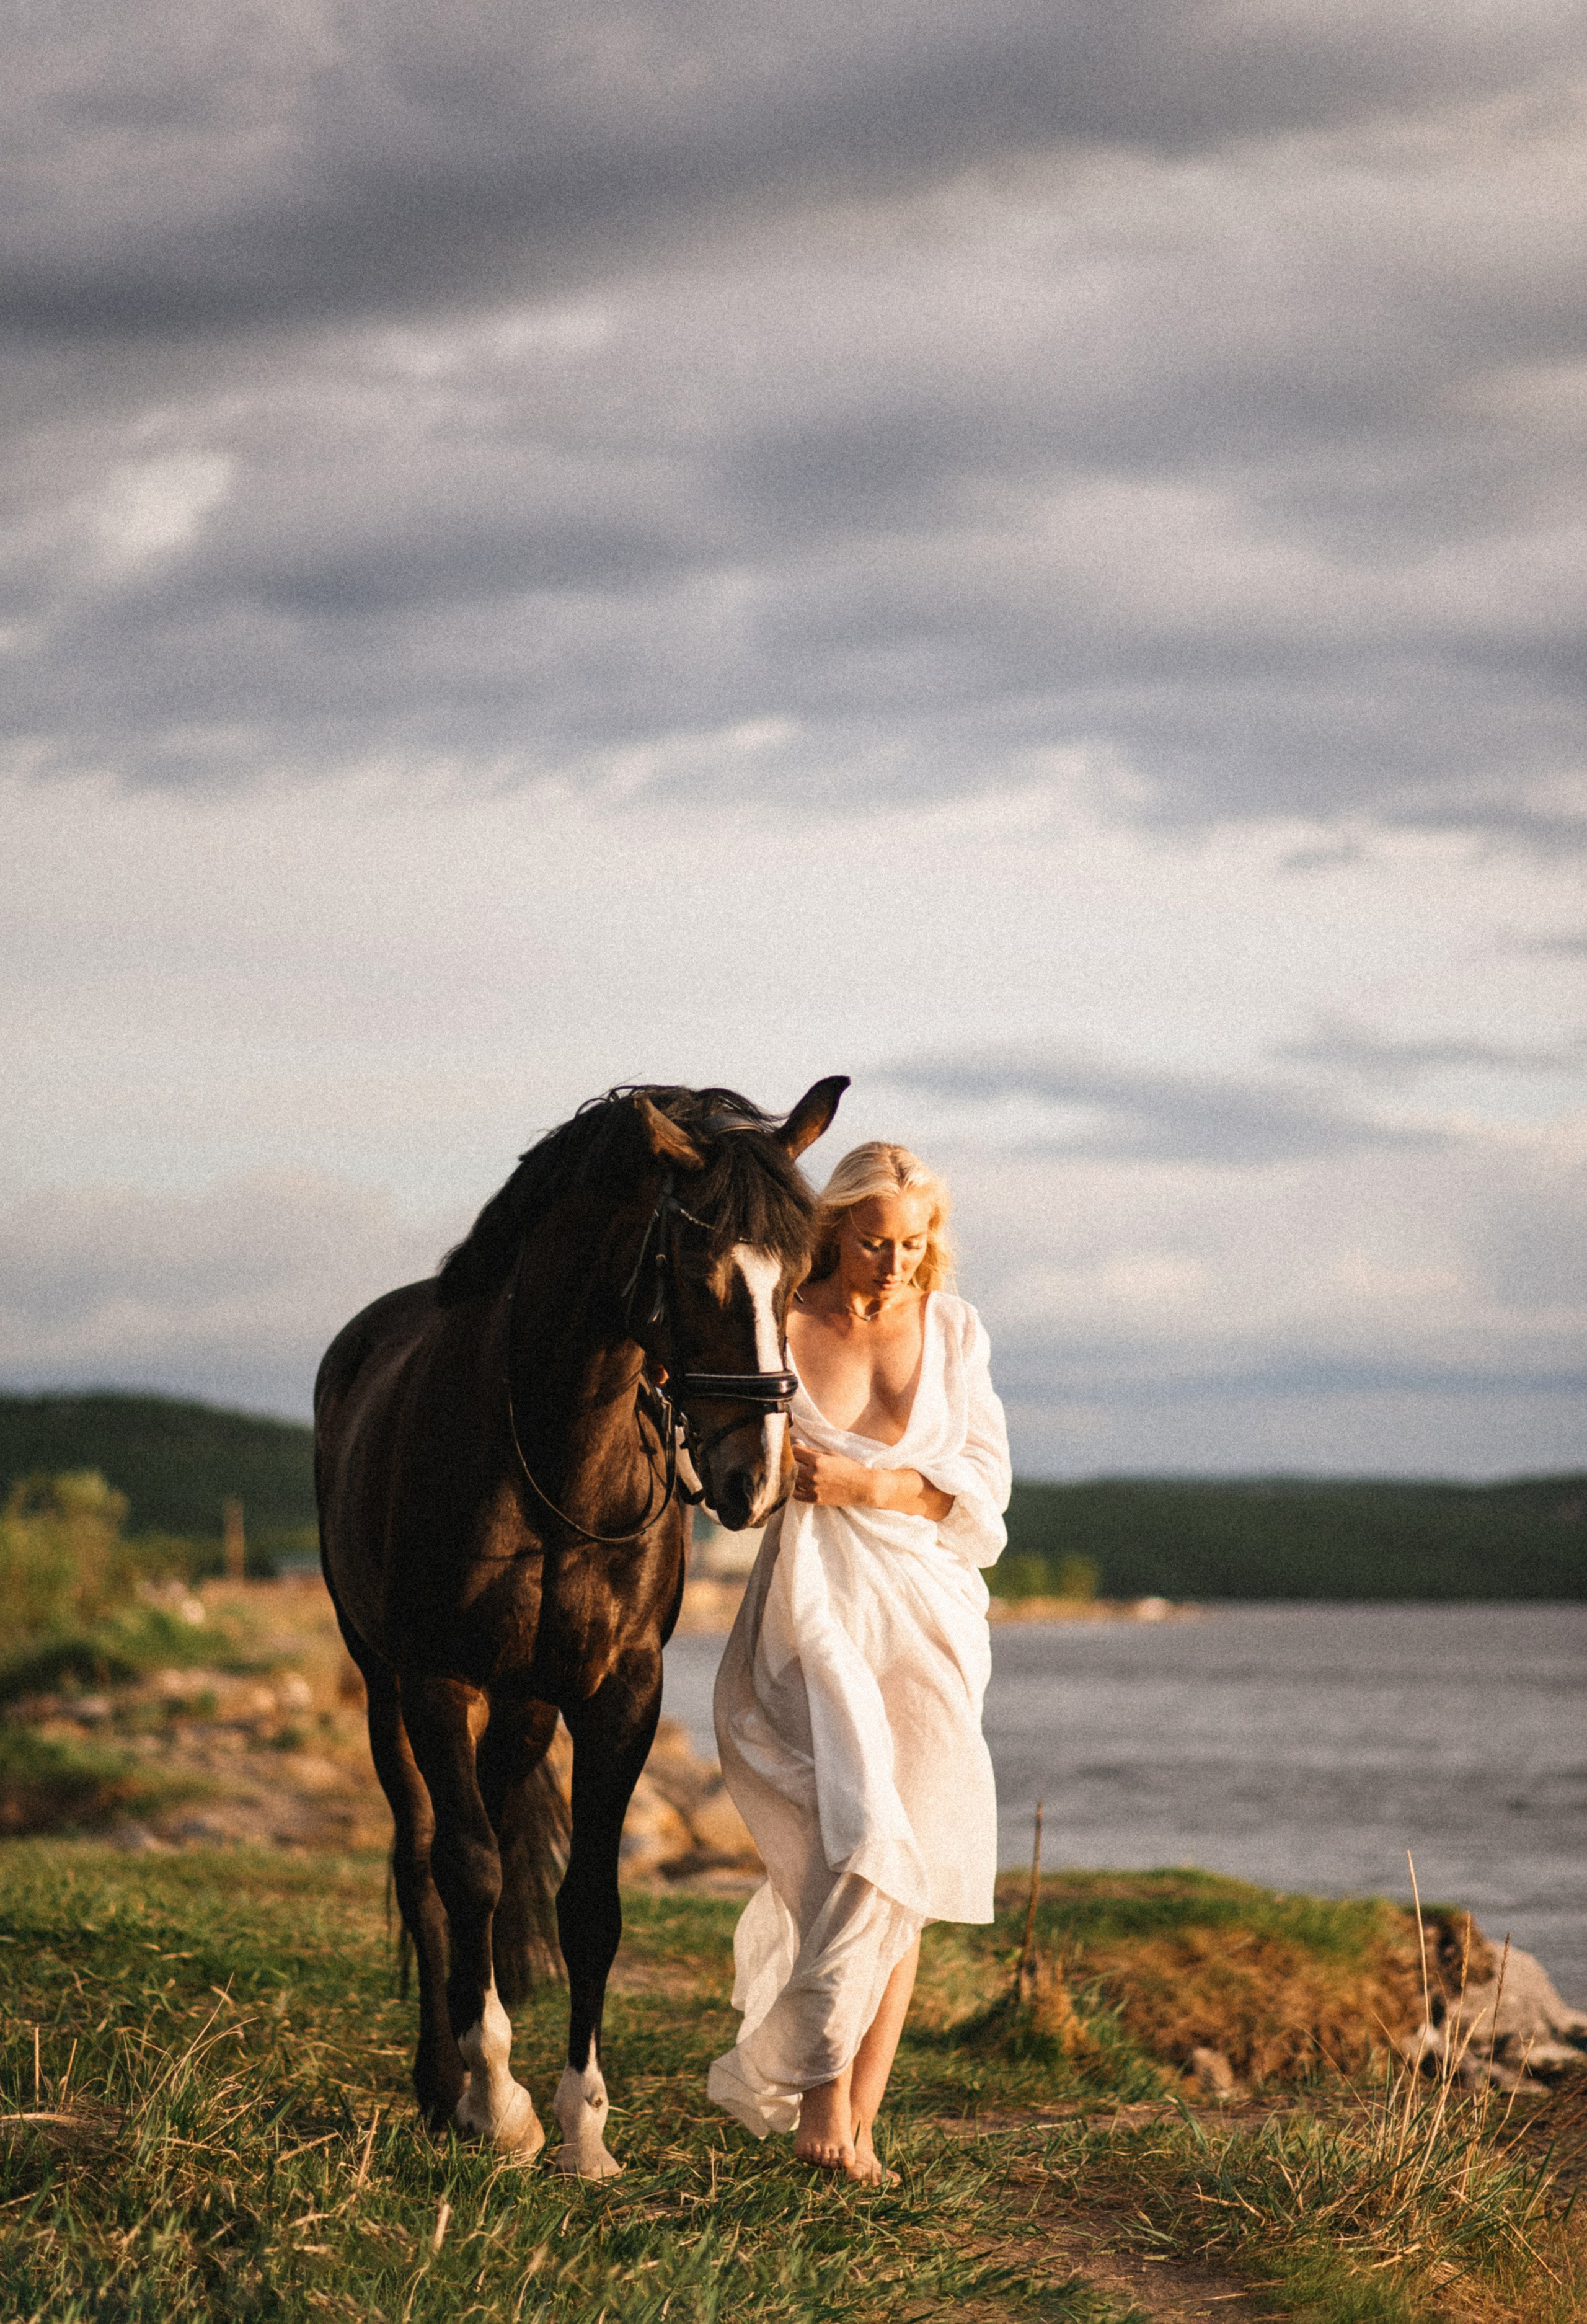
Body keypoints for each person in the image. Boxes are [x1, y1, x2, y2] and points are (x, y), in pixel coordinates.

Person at [707, 1141, 1012, 2185]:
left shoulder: (955, 1330)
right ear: (834, 1230)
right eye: (875, 1242)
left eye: (914, 1245)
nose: (894, 1266)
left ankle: (861, 2123)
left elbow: (978, 1494)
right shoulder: (778, 1327)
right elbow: (726, 1466)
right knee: (853, 1852)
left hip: (928, 1614)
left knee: (908, 1873)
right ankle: (818, 2104)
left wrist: (863, 1486)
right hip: (814, 1607)